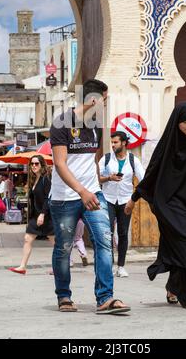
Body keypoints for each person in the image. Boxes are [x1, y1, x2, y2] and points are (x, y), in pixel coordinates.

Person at [125, 102, 186, 310]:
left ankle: (173, 286)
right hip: (170, 203)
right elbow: (152, 172)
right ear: (176, 122)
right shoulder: (169, 143)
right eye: (185, 122)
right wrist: (134, 198)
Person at [49, 79, 130, 314]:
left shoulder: (96, 124)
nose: (106, 104)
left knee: (104, 241)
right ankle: (64, 296)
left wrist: (96, 185)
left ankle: (105, 297)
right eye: (105, 100)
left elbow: (91, 160)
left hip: (93, 194)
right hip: (65, 197)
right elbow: (61, 164)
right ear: (94, 100)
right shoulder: (61, 123)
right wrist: (81, 191)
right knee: (64, 248)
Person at [99, 131, 145, 278]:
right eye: (111, 142)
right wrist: (109, 178)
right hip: (108, 199)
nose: (112, 145)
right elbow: (97, 179)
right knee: (109, 233)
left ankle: (121, 266)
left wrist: (135, 198)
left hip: (126, 200)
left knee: (123, 233)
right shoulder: (105, 159)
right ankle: (110, 265)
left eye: (115, 142)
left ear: (124, 143)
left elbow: (143, 179)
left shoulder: (133, 160)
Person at [8, 155, 54, 275]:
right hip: (36, 215)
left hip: (46, 215)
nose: (34, 166)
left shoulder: (46, 179)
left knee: (55, 242)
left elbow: (47, 198)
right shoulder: (34, 179)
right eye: (32, 164)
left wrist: (43, 214)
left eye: (36, 164)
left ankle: (61, 265)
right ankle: (22, 266)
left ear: (42, 165)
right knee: (28, 239)